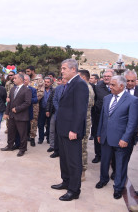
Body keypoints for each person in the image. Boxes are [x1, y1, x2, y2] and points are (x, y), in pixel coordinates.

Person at [95, 75, 138, 199]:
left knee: (120, 165)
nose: (110, 87)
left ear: (121, 86)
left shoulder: (132, 100)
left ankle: (118, 188)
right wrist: (99, 133)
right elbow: (103, 118)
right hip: (105, 137)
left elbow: (133, 123)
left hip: (121, 140)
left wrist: (125, 138)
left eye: (113, 85)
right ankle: (103, 179)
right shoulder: (107, 98)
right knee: (104, 161)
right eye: (110, 84)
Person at [51, 59, 88, 201]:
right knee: (64, 160)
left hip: (71, 131)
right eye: (61, 68)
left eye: (64, 68)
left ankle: (74, 190)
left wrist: (74, 130)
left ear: (74, 69)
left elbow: (80, 110)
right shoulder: (70, 84)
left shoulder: (80, 84)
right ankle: (66, 182)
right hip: (63, 129)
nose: (62, 71)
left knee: (73, 162)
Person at [1, 74, 31, 157]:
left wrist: (17, 109)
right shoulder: (13, 89)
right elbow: (9, 102)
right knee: (10, 132)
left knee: (22, 134)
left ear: (21, 79)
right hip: (12, 116)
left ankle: (22, 149)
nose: (13, 80)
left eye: (15, 78)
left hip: (21, 116)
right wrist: (6, 113)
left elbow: (27, 103)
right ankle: (9, 146)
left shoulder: (26, 90)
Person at [92, 70, 113, 164]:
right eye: (105, 76)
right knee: (97, 135)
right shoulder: (98, 87)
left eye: (108, 76)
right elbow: (94, 100)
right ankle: (98, 155)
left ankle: (110, 157)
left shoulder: (116, 86)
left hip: (112, 117)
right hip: (98, 116)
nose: (106, 77)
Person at [78, 69, 95, 181]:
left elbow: (85, 105)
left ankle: (82, 172)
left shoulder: (87, 89)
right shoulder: (83, 88)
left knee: (82, 147)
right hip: (80, 121)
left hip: (84, 122)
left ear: (84, 77)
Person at [26, 66, 44, 146]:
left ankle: (32, 137)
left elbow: (40, 93)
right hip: (25, 105)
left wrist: (30, 100)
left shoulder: (39, 80)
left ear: (33, 71)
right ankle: (25, 136)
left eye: (28, 71)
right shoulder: (25, 79)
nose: (27, 73)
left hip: (34, 104)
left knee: (34, 121)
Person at [49, 78, 66, 158]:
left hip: (67, 116)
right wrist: (59, 110)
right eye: (63, 79)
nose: (64, 80)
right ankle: (56, 151)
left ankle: (64, 152)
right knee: (56, 133)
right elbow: (54, 100)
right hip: (58, 114)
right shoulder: (58, 88)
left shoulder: (72, 88)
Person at [38, 77, 53, 144]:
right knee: (40, 125)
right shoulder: (40, 90)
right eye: (45, 82)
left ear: (51, 83)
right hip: (41, 109)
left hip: (50, 110)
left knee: (49, 125)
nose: (46, 83)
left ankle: (48, 139)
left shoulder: (53, 90)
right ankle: (41, 139)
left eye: (48, 82)